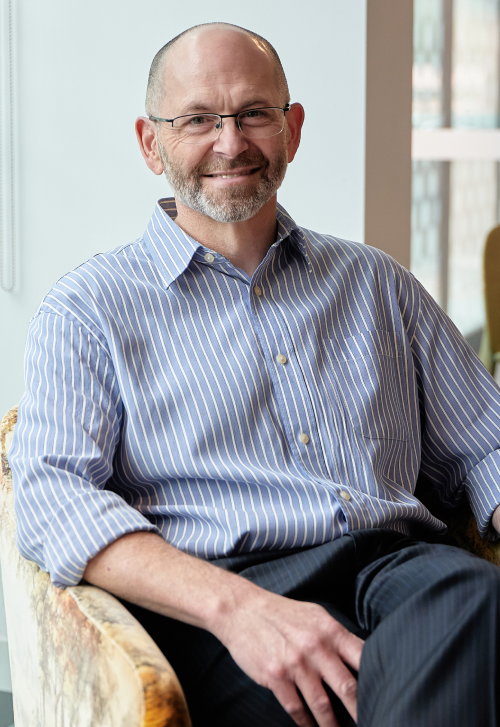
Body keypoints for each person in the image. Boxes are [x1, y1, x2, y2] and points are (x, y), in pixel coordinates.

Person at [9, 21, 500, 727]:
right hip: (218, 597)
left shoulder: (377, 283)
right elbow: (53, 497)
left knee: (478, 602)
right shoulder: (88, 310)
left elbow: (485, 443)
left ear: (292, 130)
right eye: (198, 119)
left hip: (400, 573)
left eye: (253, 114)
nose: (230, 142)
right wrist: (241, 611)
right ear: (152, 144)